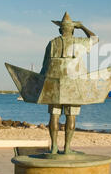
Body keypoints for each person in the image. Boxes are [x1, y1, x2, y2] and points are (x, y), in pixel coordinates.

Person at [40, 12, 98, 155]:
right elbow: (95, 38)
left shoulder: (52, 43)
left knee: (54, 115)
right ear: (72, 30)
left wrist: (40, 85)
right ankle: (67, 148)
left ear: (60, 30)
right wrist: (82, 26)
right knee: (71, 116)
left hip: (53, 84)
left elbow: (44, 65)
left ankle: (54, 147)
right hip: (73, 86)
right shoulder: (78, 42)